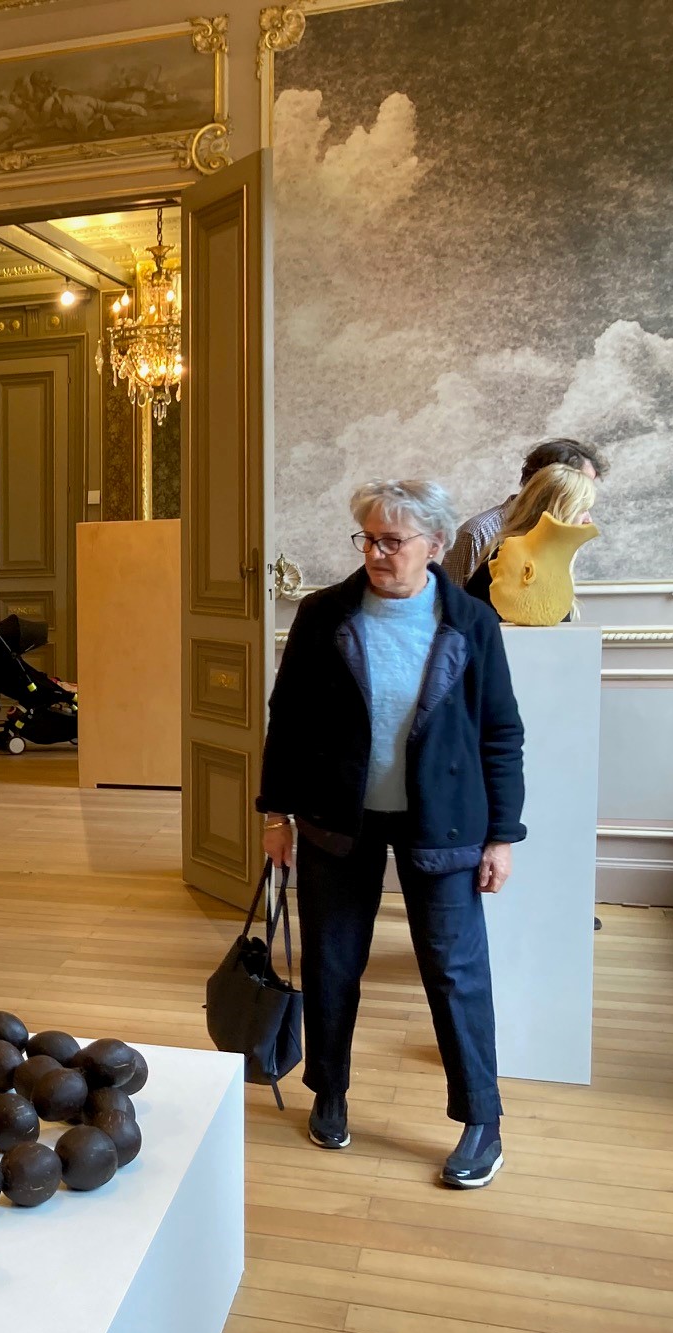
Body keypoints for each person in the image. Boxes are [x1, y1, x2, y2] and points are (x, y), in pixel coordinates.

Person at [259, 480, 525, 1190]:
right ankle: (330, 1090)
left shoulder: (471, 621)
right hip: (336, 815)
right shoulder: (324, 615)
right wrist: (275, 814)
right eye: (368, 538)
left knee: (455, 969)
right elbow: (289, 719)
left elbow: (501, 733)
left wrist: (502, 836)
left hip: (445, 818)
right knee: (332, 960)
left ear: (434, 545)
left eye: (392, 541)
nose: (376, 553)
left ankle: (482, 1119)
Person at [443, 437, 605, 587]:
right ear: (548, 482)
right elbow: (449, 604)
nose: (588, 520)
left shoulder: (557, 542)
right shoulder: (478, 532)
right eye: (579, 484)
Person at [463, 463, 597, 610]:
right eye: (582, 510)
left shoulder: (547, 562)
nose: (589, 520)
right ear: (556, 513)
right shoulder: (508, 561)